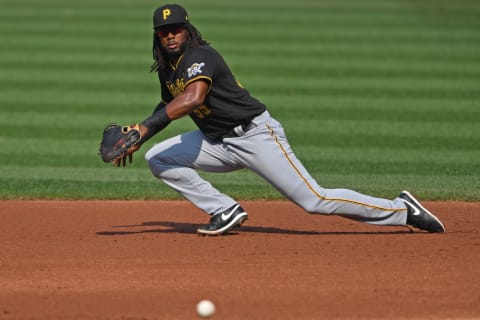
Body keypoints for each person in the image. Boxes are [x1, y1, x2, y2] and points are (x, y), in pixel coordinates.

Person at [120, 4, 445, 235]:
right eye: (163, 32)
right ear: (157, 37)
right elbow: (169, 103)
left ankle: (402, 209)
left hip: (254, 136)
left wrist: (144, 128)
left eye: (176, 29)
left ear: (188, 30)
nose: (170, 36)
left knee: (314, 200)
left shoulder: (201, 55)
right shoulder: (168, 68)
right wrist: (141, 136)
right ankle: (224, 208)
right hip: (216, 142)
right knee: (158, 158)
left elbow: (192, 99)